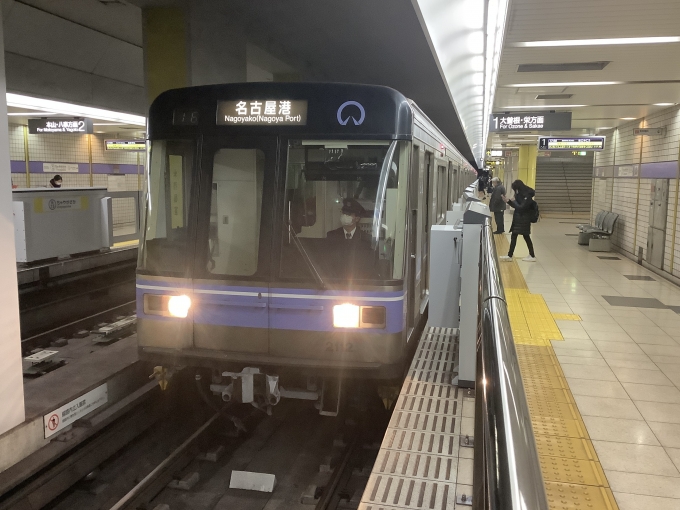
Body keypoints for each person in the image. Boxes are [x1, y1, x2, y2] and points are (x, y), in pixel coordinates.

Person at [499, 179, 536, 262]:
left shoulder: (527, 195)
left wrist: (513, 201)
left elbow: (521, 207)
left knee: (526, 237)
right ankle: (510, 255)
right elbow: (517, 206)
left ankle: (532, 255)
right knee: (515, 236)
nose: (515, 192)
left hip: (524, 219)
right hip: (519, 218)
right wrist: (508, 201)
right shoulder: (520, 194)